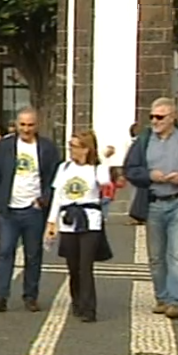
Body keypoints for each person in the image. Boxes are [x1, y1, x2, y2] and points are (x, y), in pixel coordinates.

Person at [124, 97, 178, 319]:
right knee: (156, 256)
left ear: (173, 117)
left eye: (160, 117)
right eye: (152, 117)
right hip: (154, 202)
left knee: (177, 254)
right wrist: (148, 175)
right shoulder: (144, 141)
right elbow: (130, 169)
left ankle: (175, 301)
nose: (155, 121)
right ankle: (162, 297)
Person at [0, 107, 61, 313]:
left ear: (37, 125)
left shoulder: (47, 148)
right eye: (23, 125)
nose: (26, 129)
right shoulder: (5, 146)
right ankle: (0, 296)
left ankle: (30, 296)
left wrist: (44, 199)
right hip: (9, 209)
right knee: (5, 251)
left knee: (33, 255)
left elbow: (54, 178)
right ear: (17, 125)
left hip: (34, 210)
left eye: (30, 125)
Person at [44, 130, 112, 323]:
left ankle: (90, 308)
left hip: (90, 221)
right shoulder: (64, 168)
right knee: (73, 266)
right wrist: (51, 222)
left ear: (86, 149)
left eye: (74, 146)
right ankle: (77, 301)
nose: (71, 149)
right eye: (70, 145)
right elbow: (57, 196)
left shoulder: (95, 169)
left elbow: (105, 181)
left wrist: (104, 160)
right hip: (68, 221)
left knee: (85, 266)